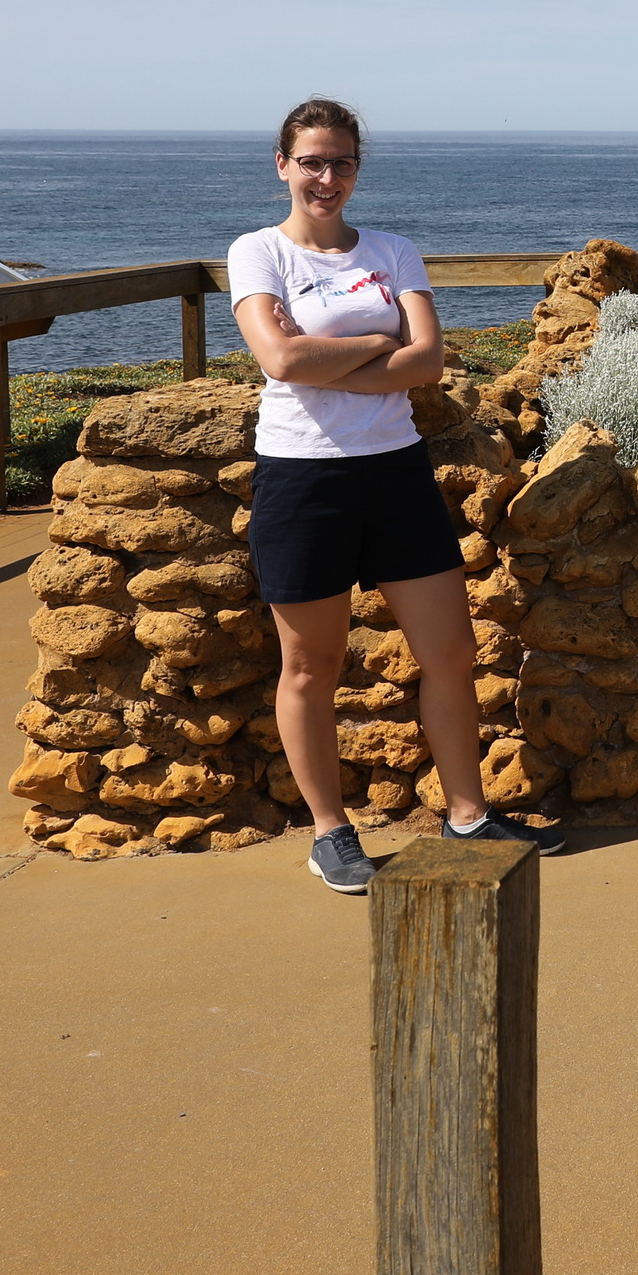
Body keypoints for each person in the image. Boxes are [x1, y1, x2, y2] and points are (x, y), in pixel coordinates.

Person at [230, 98, 543, 893]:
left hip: (394, 468)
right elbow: (281, 362)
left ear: (356, 169)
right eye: (311, 162)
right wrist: (377, 343)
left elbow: (429, 361)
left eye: (340, 162)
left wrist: (327, 354)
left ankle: (467, 813)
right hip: (302, 475)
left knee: (449, 653)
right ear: (282, 166)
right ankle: (332, 832)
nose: (325, 177)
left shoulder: (394, 250)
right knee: (312, 663)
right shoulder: (259, 252)